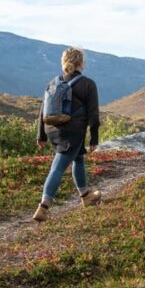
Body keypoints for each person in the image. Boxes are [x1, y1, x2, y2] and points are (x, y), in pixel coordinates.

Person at [34, 47, 101, 222]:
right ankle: (43, 207)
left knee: (78, 157)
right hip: (72, 131)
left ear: (63, 63)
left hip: (51, 128)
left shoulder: (53, 82)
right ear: (81, 64)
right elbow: (93, 114)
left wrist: (41, 136)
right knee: (58, 166)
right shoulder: (88, 84)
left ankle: (85, 195)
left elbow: (42, 111)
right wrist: (94, 138)